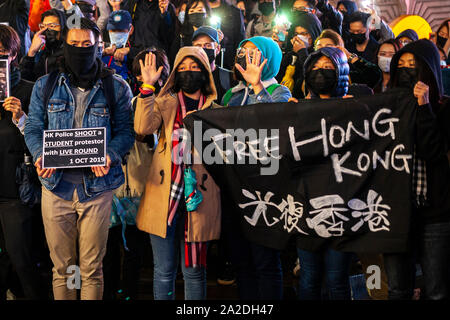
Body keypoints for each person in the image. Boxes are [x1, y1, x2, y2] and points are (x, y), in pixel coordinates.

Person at [24, 17, 135, 300]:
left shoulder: (117, 87)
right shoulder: (44, 85)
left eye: (87, 44)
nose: (81, 49)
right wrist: (39, 155)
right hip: (55, 188)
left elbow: (126, 133)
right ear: (65, 45)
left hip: (97, 190)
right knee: (62, 269)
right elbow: (35, 127)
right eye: (74, 44)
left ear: (99, 46)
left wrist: (109, 155)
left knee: (91, 268)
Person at [134, 46, 221, 300]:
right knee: (163, 271)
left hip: (201, 199)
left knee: (194, 272)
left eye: (194, 67)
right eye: (182, 68)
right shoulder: (165, 102)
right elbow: (142, 126)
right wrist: (148, 88)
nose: (188, 72)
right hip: (165, 195)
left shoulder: (216, 108)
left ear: (205, 73)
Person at [220, 36, 290, 300]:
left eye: (255, 52)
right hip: (234, 185)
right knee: (242, 261)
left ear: (269, 58)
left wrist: (257, 87)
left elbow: (271, 125)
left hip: (265, 188)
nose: (247, 56)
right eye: (243, 51)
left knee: (265, 262)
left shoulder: (280, 92)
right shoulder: (231, 95)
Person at [383, 39, 450, 300]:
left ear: (429, 69)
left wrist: (424, 108)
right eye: (401, 65)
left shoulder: (444, 108)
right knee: (398, 288)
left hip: (436, 214)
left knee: (437, 290)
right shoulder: (389, 107)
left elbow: (433, 152)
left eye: (414, 65)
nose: (407, 70)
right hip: (397, 212)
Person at [296, 46, 353, 300]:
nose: (321, 74)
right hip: (307, 207)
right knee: (309, 278)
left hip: (343, 208)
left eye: (328, 69)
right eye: (315, 69)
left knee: (337, 279)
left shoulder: (354, 107)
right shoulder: (297, 110)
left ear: (340, 72)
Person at [0, 24, 49, 301]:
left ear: (14, 54)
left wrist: (20, 117)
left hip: (17, 191)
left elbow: (44, 141)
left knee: (23, 260)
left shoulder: (30, 90)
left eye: (1, 53)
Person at [314, 28, 382, 90]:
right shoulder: (310, 72)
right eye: (319, 46)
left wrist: (350, 57)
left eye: (328, 46)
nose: (323, 49)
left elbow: (374, 75)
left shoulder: (347, 75)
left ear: (338, 49)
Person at [275, 11, 322, 99]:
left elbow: (314, 76)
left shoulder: (321, 55)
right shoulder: (291, 56)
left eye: (304, 33)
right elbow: (276, 75)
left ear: (314, 33)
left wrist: (302, 52)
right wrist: (277, 50)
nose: (299, 37)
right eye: (296, 34)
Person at [20, 9, 67, 82]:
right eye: (43, 26)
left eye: (52, 26)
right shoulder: (40, 54)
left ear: (63, 27)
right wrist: (31, 52)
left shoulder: (69, 53)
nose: (46, 30)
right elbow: (25, 78)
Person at [192, 26, 234, 103]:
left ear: (217, 49)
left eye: (208, 45)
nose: (202, 49)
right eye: (198, 46)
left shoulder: (230, 78)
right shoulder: (187, 77)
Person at [169, 0, 211, 66]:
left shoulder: (214, 36)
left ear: (207, 13)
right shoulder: (181, 37)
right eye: (192, 11)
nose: (196, 13)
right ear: (187, 15)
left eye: (200, 10)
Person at [207, 0, 245, 70]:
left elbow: (240, 42)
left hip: (228, 64)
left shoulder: (234, 12)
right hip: (203, 63)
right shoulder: (198, 12)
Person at [101, 10, 133, 81]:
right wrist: (103, 53)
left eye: (120, 30)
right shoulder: (102, 48)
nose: (116, 34)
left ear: (130, 29)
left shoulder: (135, 50)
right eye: (113, 30)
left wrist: (129, 51)